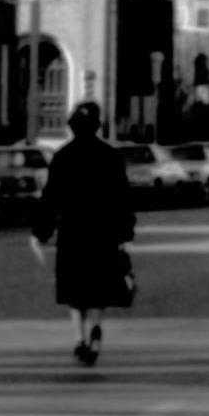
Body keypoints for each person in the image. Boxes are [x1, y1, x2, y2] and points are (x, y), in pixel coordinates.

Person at [32, 100, 136, 365]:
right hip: (103, 233)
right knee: (98, 288)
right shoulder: (111, 157)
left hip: (73, 233)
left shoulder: (63, 157)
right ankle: (96, 328)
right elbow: (123, 198)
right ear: (97, 125)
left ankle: (79, 339)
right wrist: (125, 234)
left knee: (74, 289)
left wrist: (40, 233)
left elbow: (50, 198)